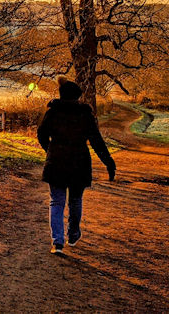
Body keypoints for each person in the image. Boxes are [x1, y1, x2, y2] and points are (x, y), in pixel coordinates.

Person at [36, 78, 116, 255]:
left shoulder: (53, 112)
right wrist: (108, 162)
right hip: (79, 162)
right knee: (75, 200)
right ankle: (72, 235)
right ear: (77, 97)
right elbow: (96, 141)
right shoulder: (85, 114)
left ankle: (57, 242)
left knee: (56, 201)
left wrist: (49, 149)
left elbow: (41, 133)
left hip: (56, 162)